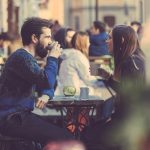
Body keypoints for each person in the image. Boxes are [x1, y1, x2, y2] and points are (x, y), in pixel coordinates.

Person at [0, 17, 73, 147]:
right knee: (66, 138)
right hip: (11, 119)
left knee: (59, 133)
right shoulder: (22, 58)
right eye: (48, 37)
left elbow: (47, 83)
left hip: (18, 117)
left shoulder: (27, 58)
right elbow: (46, 81)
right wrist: (52, 58)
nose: (51, 42)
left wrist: (46, 94)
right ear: (34, 38)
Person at [81, 25, 145, 150]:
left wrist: (112, 119)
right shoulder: (135, 59)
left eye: (110, 38)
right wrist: (109, 77)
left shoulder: (131, 62)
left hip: (130, 123)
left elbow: (130, 96)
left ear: (120, 40)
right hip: (130, 120)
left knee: (88, 136)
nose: (106, 41)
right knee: (91, 133)